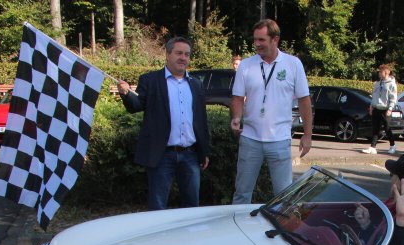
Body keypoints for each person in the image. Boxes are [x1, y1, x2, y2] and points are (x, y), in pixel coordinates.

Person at [118, 37, 210, 210]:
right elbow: (136, 106)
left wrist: (204, 151)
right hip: (162, 155)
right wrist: (126, 94)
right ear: (168, 55)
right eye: (179, 53)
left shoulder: (196, 84)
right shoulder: (150, 80)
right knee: (157, 207)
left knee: (192, 207)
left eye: (187, 54)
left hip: (190, 155)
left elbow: (201, 120)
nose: (183, 58)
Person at [230, 19, 313, 205]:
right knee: (242, 193)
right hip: (250, 138)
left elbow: (304, 100)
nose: (257, 44)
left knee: (284, 196)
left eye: (261, 40)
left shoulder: (293, 64)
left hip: (280, 139)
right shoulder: (246, 65)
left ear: (275, 39)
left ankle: (281, 224)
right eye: (255, 40)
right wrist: (236, 117)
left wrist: (307, 135)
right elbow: (237, 98)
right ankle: (237, 223)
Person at [362, 64, 398, 155]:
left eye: (381, 72)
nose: (379, 73)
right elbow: (374, 95)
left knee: (387, 128)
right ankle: (372, 147)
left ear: (386, 72)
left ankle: (392, 145)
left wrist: (390, 109)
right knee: (375, 129)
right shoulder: (377, 83)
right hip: (376, 108)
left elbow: (393, 98)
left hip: (385, 109)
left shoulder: (392, 84)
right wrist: (371, 106)